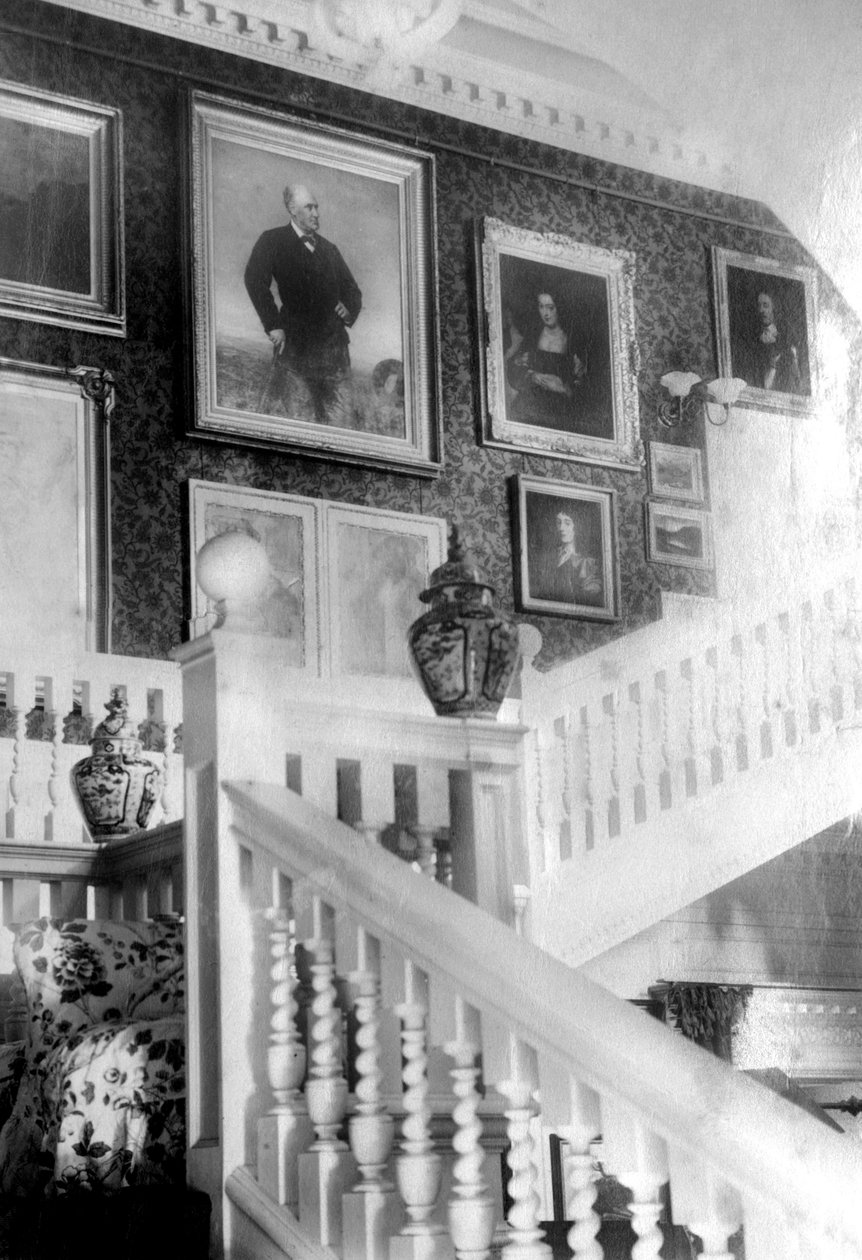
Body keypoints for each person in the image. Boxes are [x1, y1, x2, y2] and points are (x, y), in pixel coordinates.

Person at [244, 183, 362, 424]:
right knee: (301, 422)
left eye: (316, 207)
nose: (316, 213)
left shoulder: (329, 249)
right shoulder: (272, 240)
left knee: (343, 425)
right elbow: (254, 280)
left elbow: (352, 289)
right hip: (296, 350)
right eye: (309, 207)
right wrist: (273, 324)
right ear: (292, 209)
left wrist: (349, 307)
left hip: (334, 353)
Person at [507, 290, 586, 430]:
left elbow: (585, 385)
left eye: (550, 307)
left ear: (559, 308)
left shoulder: (572, 340)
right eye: (541, 307)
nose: (545, 313)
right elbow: (514, 369)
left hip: (560, 410)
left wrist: (563, 388)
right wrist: (532, 376)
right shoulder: (533, 336)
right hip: (530, 404)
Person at [532, 510, 602, 606]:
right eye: (558, 523)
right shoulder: (549, 555)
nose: (561, 528)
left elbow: (589, 596)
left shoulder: (586, 561)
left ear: (577, 526)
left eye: (567, 523)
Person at [740, 289, 803, 394]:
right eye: (759, 306)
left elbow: (795, 371)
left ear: (773, 307)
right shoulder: (752, 336)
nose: (761, 310)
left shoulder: (786, 334)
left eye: (765, 306)